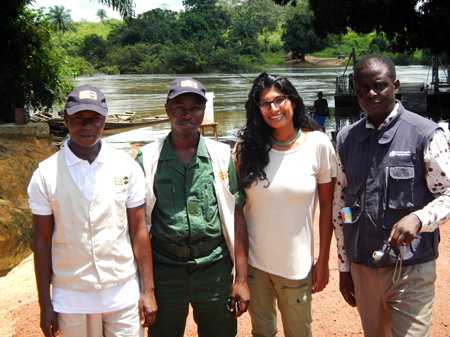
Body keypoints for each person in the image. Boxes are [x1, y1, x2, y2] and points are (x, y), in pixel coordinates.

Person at [333, 55, 450, 337]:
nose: (370, 94)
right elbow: (342, 207)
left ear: (394, 85)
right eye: (362, 88)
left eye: (379, 85)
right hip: (364, 268)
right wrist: (345, 266)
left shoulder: (425, 133)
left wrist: (419, 218)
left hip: (411, 268)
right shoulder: (346, 139)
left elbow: (447, 194)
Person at [28, 84, 157, 337]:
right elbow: (41, 242)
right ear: (66, 120)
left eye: (94, 119)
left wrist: (147, 291)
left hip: (121, 291)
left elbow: (139, 230)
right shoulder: (45, 174)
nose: (86, 126)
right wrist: (45, 303)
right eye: (78, 119)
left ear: (104, 120)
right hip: (71, 295)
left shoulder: (126, 166)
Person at [137, 77, 250, 337]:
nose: (186, 113)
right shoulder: (148, 158)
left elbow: (237, 216)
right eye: (179, 106)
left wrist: (241, 279)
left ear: (203, 111)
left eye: (194, 107)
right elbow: (138, 223)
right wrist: (147, 289)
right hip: (165, 270)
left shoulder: (222, 155)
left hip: (214, 269)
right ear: (167, 110)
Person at [235, 72, 336, 337]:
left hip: (296, 267)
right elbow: (238, 209)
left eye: (279, 100)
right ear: (257, 110)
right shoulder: (248, 148)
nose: (273, 108)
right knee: (262, 332)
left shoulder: (318, 144)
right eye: (265, 103)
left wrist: (323, 260)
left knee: (299, 332)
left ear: (292, 100)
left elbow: (327, 206)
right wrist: (241, 272)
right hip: (256, 266)